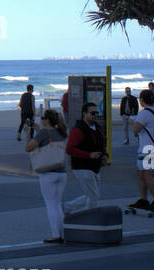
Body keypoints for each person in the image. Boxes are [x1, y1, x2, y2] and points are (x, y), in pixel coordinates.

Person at [26, 109, 70, 242]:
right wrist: (38, 129)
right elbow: (47, 137)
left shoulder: (43, 133)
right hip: (61, 172)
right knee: (57, 204)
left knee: (50, 205)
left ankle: (56, 235)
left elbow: (28, 148)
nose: (41, 119)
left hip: (47, 172)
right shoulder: (61, 132)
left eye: (43, 117)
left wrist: (28, 133)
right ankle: (62, 232)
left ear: (47, 120)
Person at [63, 102, 107, 214]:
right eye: (92, 113)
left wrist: (105, 156)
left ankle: (66, 208)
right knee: (94, 198)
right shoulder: (78, 130)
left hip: (95, 167)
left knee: (92, 195)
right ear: (84, 114)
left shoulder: (97, 127)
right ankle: (89, 219)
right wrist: (89, 155)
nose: (95, 115)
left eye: (97, 112)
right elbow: (69, 149)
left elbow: (102, 145)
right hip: (82, 167)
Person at [128, 89, 154, 213]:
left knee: (147, 174)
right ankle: (143, 199)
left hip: (147, 148)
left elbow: (135, 130)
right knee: (141, 173)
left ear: (142, 100)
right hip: (150, 147)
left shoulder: (144, 113)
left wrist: (133, 122)